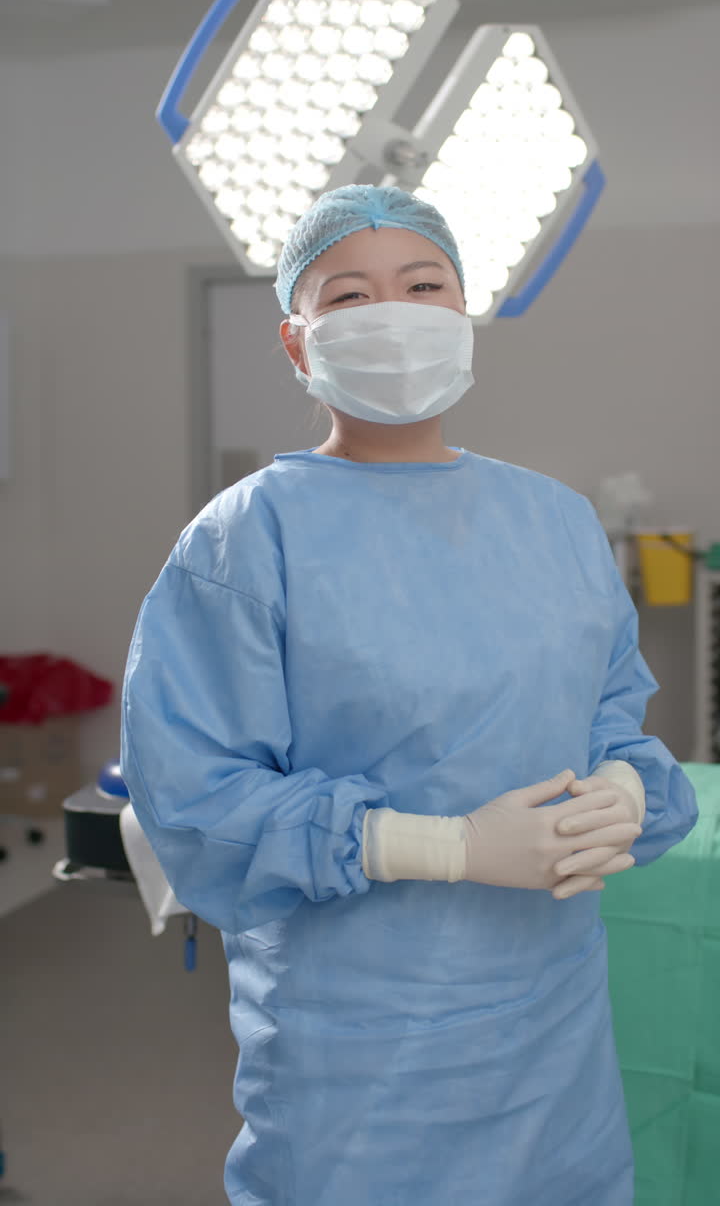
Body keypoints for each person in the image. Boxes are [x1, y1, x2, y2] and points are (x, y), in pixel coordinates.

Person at [120, 184, 698, 1206]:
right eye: (350, 295)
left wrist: (623, 785)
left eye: (423, 285)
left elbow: (612, 713)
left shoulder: (557, 522)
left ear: (463, 311)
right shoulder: (245, 538)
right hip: (363, 1055)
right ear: (298, 342)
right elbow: (195, 799)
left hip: (553, 1030)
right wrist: (444, 846)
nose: (393, 314)